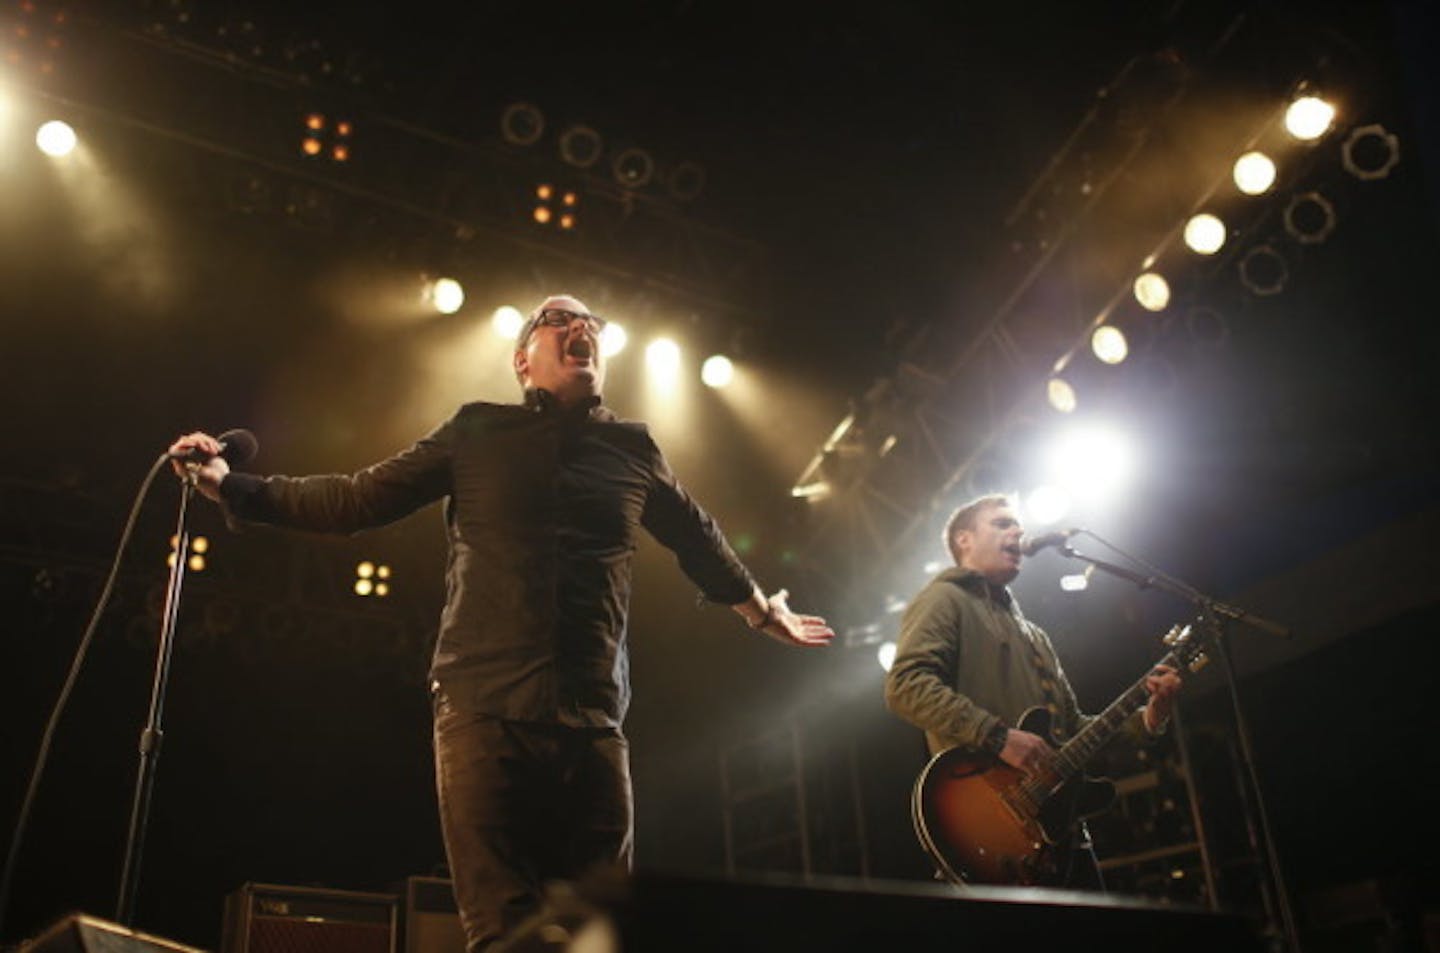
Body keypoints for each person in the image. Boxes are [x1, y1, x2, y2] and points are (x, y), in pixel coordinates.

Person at [169, 294, 834, 952]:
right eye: (558, 319)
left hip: (594, 723)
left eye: (591, 324)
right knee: (503, 931)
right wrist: (235, 486)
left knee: (601, 934)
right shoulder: (476, 429)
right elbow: (355, 499)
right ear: (522, 361)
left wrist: (757, 608)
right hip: (483, 710)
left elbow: (698, 536)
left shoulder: (632, 448)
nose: (582, 327)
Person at [883, 493, 1179, 888]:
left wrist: (1151, 715)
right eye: (1002, 523)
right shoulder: (944, 599)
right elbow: (905, 685)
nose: (1018, 530)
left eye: (1017, 524)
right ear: (964, 540)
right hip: (993, 823)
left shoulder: (1034, 634)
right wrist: (997, 737)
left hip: (1062, 837)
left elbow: (1073, 729)